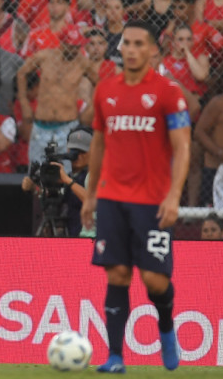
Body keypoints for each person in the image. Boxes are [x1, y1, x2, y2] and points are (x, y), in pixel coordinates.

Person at [81, 20, 190, 373]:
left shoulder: (168, 92)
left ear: (153, 50)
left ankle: (166, 328)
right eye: (126, 43)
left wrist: (174, 196)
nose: (130, 49)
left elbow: (182, 147)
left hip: (152, 201)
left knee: (155, 281)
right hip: (113, 196)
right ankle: (115, 356)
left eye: (139, 43)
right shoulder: (105, 90)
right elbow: (98, 143)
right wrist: (92, 193)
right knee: (117, 275)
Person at [17, 24, 99, 166]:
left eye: (76, 46)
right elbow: (22, 73)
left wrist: (90, 108)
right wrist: (24, 102)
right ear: (62, 43)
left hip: (67, 125)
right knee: (35, 172)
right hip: (41, 125)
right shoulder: (44, 57)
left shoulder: (83, 63)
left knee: (65, 174)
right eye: (70, 46)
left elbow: (99, 84)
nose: (74, 50)